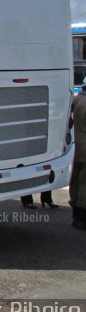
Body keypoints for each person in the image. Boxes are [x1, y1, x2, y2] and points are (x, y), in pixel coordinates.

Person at [71, 80, 86, 230]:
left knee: (74, 180)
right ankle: (81, 216)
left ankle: (75, 213)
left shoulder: (76, 100)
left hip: (76, 147)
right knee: (84, 183)